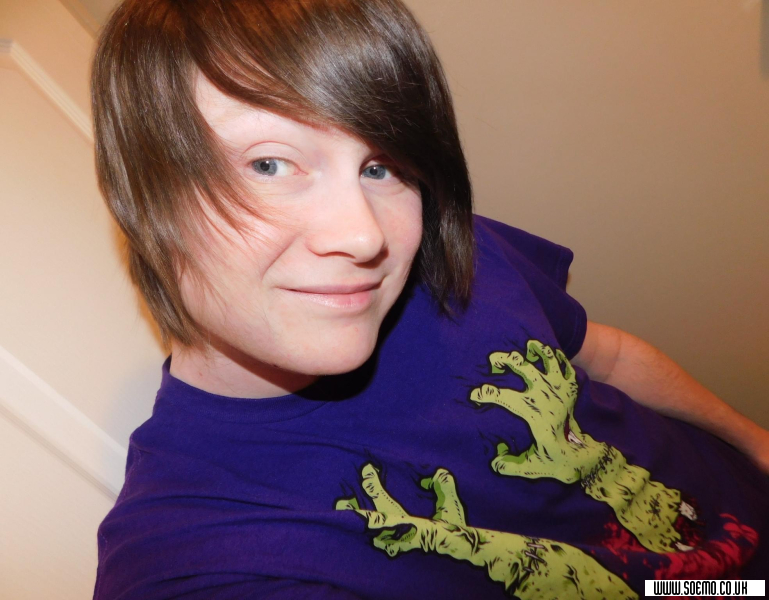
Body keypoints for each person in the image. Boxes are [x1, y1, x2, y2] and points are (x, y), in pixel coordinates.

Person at [91, 0, 769, 598]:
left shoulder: (450, 251)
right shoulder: (197, 557)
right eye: (269, 164)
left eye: (380, 166)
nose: (365, 236)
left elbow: (609, 358)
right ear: (142, 195)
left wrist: (754, 441)